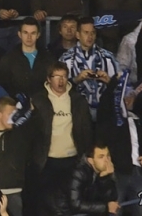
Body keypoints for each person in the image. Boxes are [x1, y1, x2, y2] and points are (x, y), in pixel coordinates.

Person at [30, 62, 93, 214]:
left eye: (64, 76)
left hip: (72, 159)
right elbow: (31, 132)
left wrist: (87, 155)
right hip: (46, 161)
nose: (61, 81)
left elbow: (87, 130)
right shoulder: (38, 100)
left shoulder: (78, 100)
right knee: (45, 204)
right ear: (48, 79)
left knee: (71, 203)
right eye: (57, 77)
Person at [60, 17, 119, 121]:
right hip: (77, 114)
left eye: (93, 33)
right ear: (78, 35)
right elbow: (58, 88)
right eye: (86, 32)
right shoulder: (66, 59)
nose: (90, 36)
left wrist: (109, 81)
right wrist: (76, 79)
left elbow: (121, 88)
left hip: (104, 113)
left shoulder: (108, 57)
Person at [0, 18, 55, 98]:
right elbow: (1, 87)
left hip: (43, 103)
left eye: (33, 33)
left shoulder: (48, 58)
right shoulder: (8, 59)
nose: (29, 37)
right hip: (16, 103)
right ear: (19, 34)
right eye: (25, 33)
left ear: (38, 35)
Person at [65, 144, 119, 216]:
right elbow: (76, 204)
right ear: (91, 160)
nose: (107, 160)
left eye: (108, 156)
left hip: (86, 211)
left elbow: (112, 198)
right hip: (63, 211)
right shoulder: (78, 173)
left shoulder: (105, 171)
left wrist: (104, 179)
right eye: (101, 157)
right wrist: (105, 207)